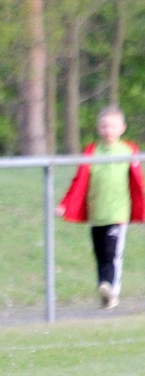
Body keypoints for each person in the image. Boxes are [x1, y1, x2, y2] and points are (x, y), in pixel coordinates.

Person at [56, 105, 143, 309]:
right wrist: (65, 205)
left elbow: (139, 182)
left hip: (118, 213)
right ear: (98, 128)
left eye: (112, 126)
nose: (108, 130)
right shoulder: (92, 151)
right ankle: (104, 288)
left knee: (112, 254)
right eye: (104, 126)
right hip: (98, 213)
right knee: (101, 254)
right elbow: (79, 180)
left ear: (122, 128)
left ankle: (112, 290)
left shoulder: (128, 150)